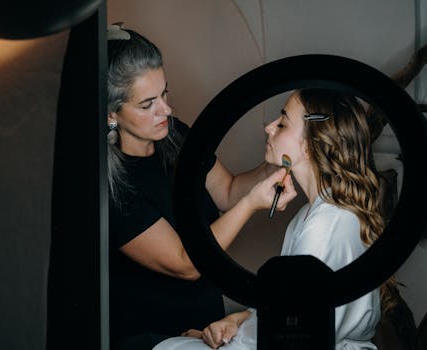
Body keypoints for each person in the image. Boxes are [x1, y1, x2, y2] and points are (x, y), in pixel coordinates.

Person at [153, 88, 399, 350]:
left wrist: (228, 333)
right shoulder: (311, 216)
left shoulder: (326, 226)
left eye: (282, 123)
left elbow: (295, 329)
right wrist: (238, 319)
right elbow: (291, 307)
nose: (269, 128)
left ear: (309, 144)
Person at [106, 23, 295, 350]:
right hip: (148, 338)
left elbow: (227, 191)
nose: (165, 109)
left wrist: (276, 162)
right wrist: (250, 204)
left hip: (206, 324)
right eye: (147, 104)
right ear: (112, 114)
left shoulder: (174, 134)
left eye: (164, 93)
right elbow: (187, 263)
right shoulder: (111, 186)